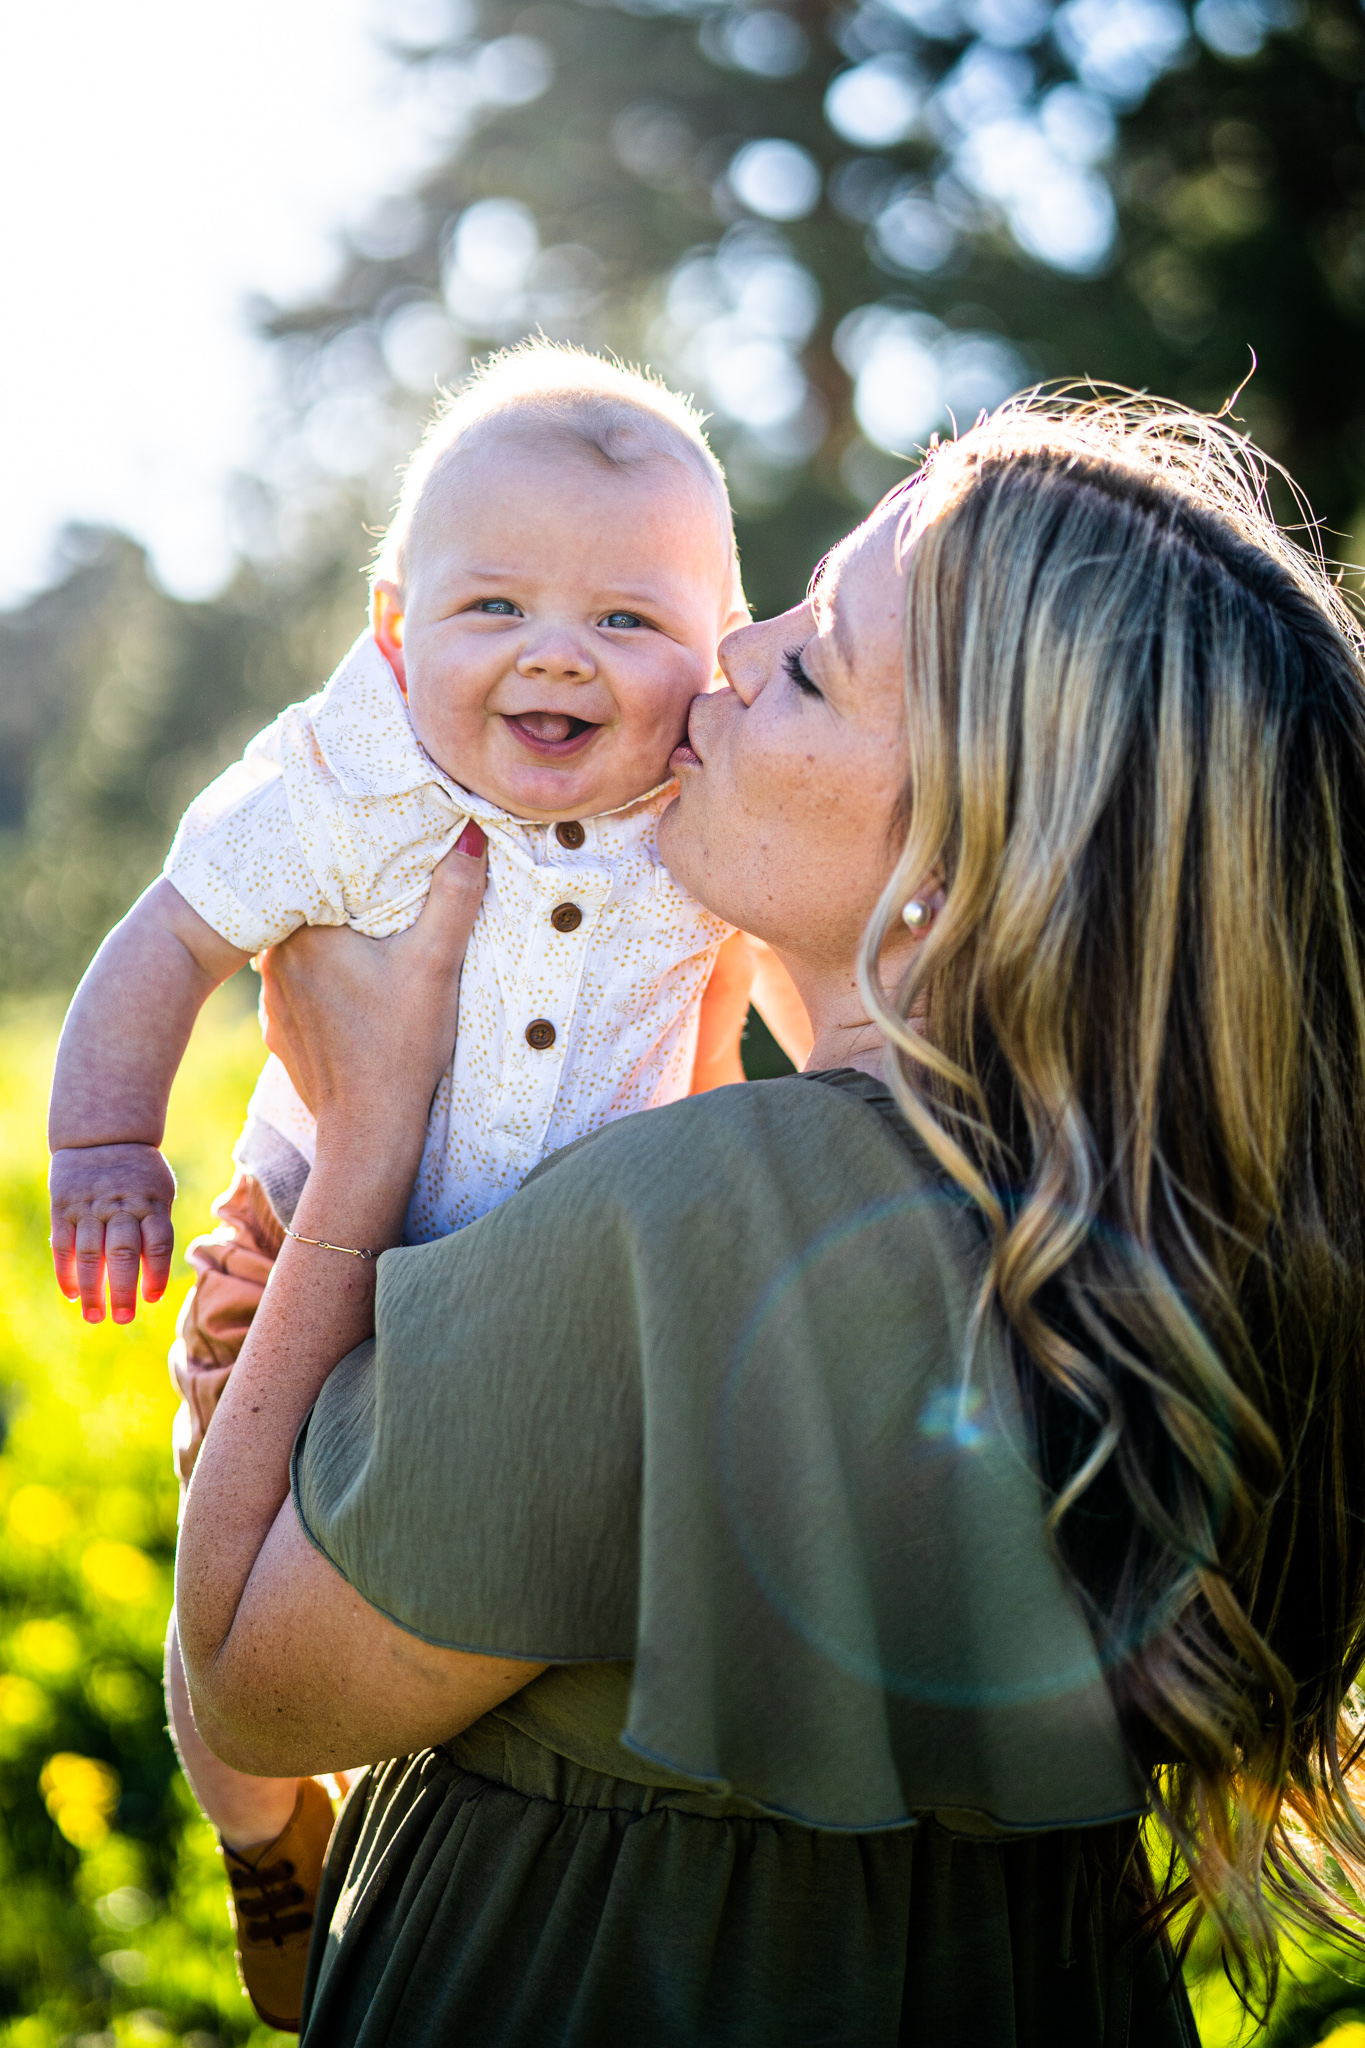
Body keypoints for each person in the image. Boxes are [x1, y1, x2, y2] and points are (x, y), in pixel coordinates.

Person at [177, 392, 1365, 2046]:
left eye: (810, 660)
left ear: (959, 862)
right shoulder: (1153, 1247)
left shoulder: (693, 1223)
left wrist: (363, 1134)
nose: (728, 656)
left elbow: (251, 1676)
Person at [44, 340, 808, 2026]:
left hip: (546, 1311)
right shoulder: (341, 783)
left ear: (718, 648)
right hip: (303, 1269)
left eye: (627, 621)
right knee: (222, 1595)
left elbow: (753, 1011)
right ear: (394, 629)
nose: (556, 654)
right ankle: (263, 1850)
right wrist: (108, 1140)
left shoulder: (709, 807)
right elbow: (167, 935)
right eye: (494, 611)